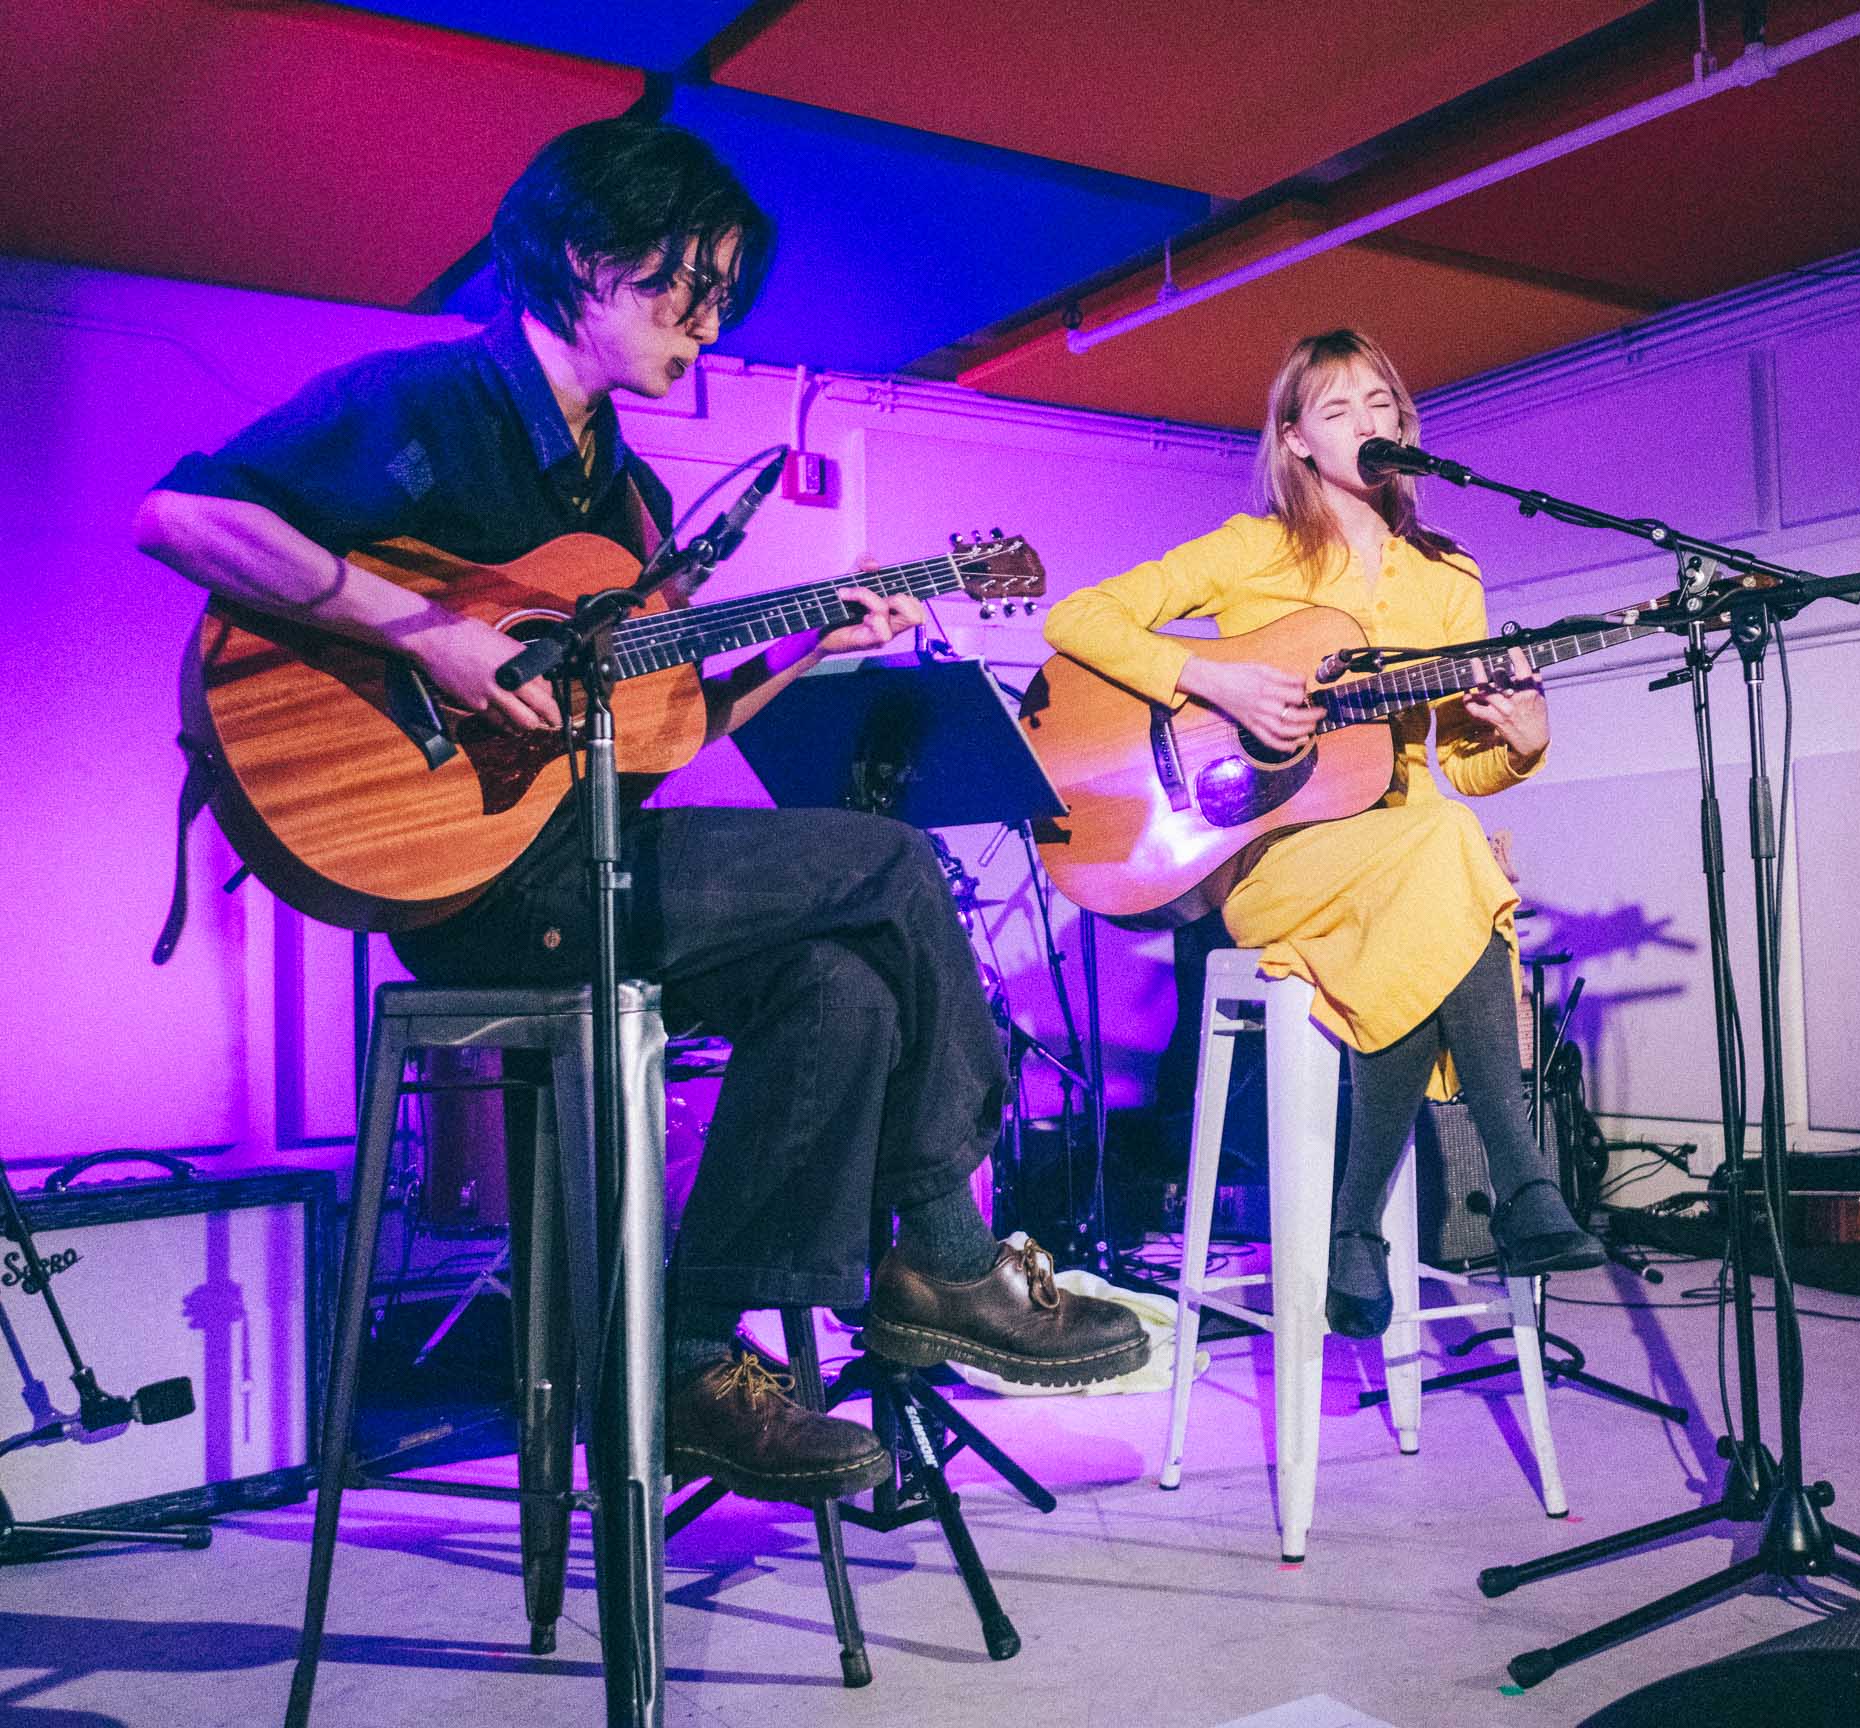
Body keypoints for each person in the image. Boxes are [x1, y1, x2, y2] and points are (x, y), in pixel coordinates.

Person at [134, 116, 1144, 1505]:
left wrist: (806, 644)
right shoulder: (426, 401)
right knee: (894, 863)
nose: (710, 323)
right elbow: (180, 517)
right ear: (582, 255)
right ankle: (948, 1258)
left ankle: (691, 1365)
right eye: (688, 284)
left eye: (725, 295)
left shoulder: (629, 501)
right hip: (474, 894)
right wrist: (429, 631)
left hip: (578, 856)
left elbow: (653, 738)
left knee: (844, 987)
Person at [1042, 328, 1605, 1338]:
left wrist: (1522, 740)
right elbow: (1078, 619)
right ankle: (1521, 1183)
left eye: (1381, 404)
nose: (1366, 423)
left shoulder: (1448, 575)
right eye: (1338, 410)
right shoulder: (1251, 548)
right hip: (1278, 852)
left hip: (1407, 842)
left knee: (1441, 849)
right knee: (1452, 861)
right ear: (1297, 439)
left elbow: (1460, 760)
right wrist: (1213, 679)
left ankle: (1359, 1229)